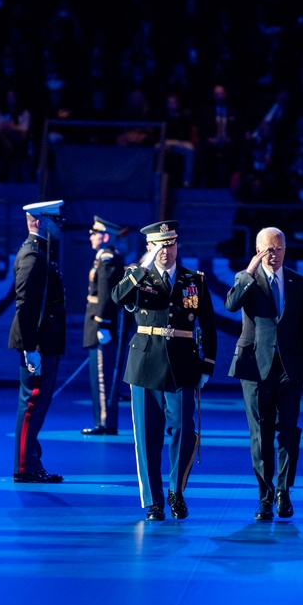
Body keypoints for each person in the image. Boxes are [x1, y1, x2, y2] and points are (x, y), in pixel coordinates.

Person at [110, 220, 216, 521]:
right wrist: (143, 267)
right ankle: (154, 501)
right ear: (149, 248)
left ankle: (175, 491)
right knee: (147, 436)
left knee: (183, 430)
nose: (165, 250)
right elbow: (118, 298)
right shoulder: (136, 276)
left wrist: (207, 365)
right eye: (159, 245)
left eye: (170, 244)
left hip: (182, 362)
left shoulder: (193, 280)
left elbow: (208, 325)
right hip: (144, 362)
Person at [224, 227, 303, 520]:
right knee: (260, 433)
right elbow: (230, 304)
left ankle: (283, 492)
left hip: (288, 367)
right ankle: (264, 496)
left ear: (285, 250)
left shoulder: (298, 282)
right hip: (254, 366)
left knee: (288, 431)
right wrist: (249, 272)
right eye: (267, 249)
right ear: (258, 251)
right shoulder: (248, 280)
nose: (273, 255)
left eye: (278, 249)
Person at [8, 200, 66, 483]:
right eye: (55, 220)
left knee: (38, 406)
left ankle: (32, 461)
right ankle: (24, 467)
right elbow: (26, 306)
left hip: (45, 342)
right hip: (39, 344)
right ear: (41, 222)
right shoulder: (33, 256)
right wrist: (30, 348)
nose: (59, 225)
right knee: (31, 405)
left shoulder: (41, 252)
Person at [81, 216, 125, 436]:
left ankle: (104, 423)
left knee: (101, 377)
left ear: (105, 236)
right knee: (101, 376)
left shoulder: (107, 259)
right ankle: (104, 421)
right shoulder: (104, 258)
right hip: (100, 324)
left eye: (95, 233)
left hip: (102, 326)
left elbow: (107, 295)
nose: (91, 236)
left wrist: (104, 325)